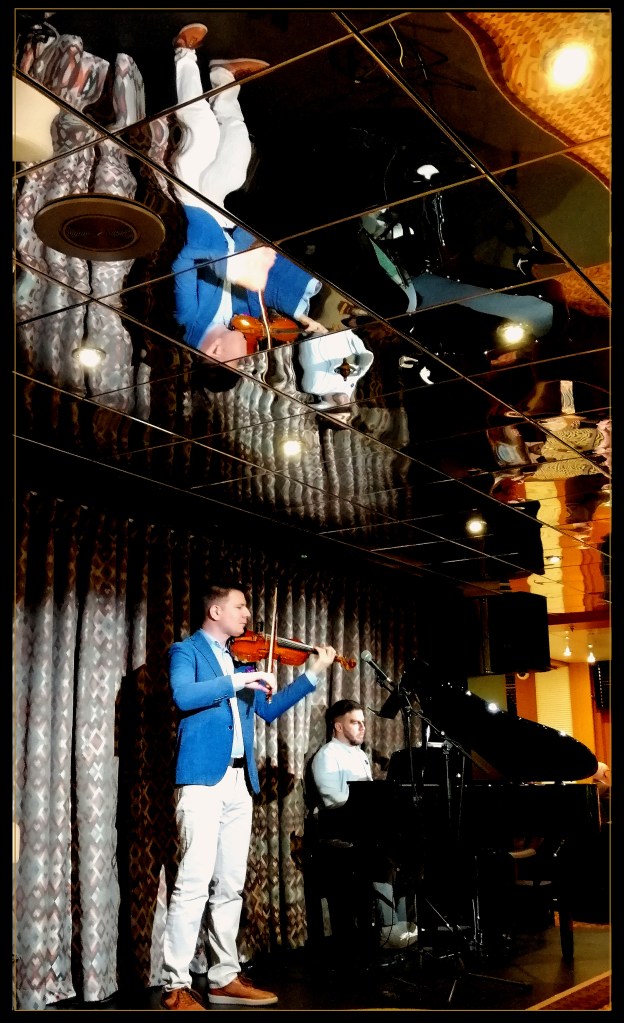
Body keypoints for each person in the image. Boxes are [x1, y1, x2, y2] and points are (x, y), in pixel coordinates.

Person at [160, 580, 336, 1010]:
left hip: (240, 782)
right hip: (202, 780)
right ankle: (175, 985)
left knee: (231, 886)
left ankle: (223, 978)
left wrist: (312, 674)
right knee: (193, 884)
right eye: (239, 607)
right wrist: (238, 679)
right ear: (215, 611)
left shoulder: (243, 660)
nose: (247, 615)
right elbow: (183, 695)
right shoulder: (187, 651)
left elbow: (268, 710)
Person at [169, 23, 332, 364]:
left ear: (214, 352)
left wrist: (227, 264)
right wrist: (302, 320)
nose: (245, 354)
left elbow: (183, 260)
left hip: (197, 206)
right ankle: (223, 79)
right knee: (238, 146)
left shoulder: (189, 318)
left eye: (237, 360)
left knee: (201, 130)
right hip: (228, 218)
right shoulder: (240, 319)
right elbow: (264, 288)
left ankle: (184, 52)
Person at [307, 700, 417, 956]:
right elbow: (332, 801)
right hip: (339, 832)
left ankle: (406, 926)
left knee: (409, 849)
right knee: (381, 855)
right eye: (355, 722)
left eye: (363, 723)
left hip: (363, 829)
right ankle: (389, 929)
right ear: (338, 726)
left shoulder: (360, 755)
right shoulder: (327, 755)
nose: (362, 727)